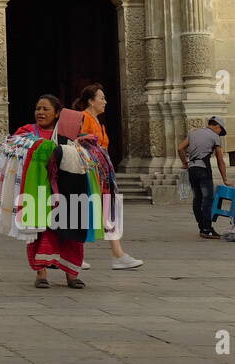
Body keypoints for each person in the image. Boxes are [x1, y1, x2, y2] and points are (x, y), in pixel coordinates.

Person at [8, 95, 88, 289]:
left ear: (58, 113)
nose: (40, 113)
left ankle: (72, 274)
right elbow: (11, 148)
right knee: (40, 231)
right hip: (38, 189)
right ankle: (41, 273)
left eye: (45, 109)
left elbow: (84, 155)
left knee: (71, 230)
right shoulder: (27, 132)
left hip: (67, 188)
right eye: (38, 109)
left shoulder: (70, 133)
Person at [73, 84, 143, 270]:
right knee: (85, 211)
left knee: (110, 211)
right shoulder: (84, 118)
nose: (105, 101)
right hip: (89, 172)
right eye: (101, 98)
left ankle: (118, 254)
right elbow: (75, 141)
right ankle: (74, 255)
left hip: (103, 173)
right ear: (90, 101)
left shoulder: (99, 122)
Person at [178, 116, 229, 239]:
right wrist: (225, 179)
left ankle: (203, 227)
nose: (220, 134)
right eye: (220, 131)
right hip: (203, 170)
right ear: (217, 126)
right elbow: (220, 160)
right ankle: (207, 229)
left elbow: (180, 148)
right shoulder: (215, 137)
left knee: (197, 198)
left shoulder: (193, 134)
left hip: (192, 169)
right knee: (208, 199)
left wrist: (185, 163)